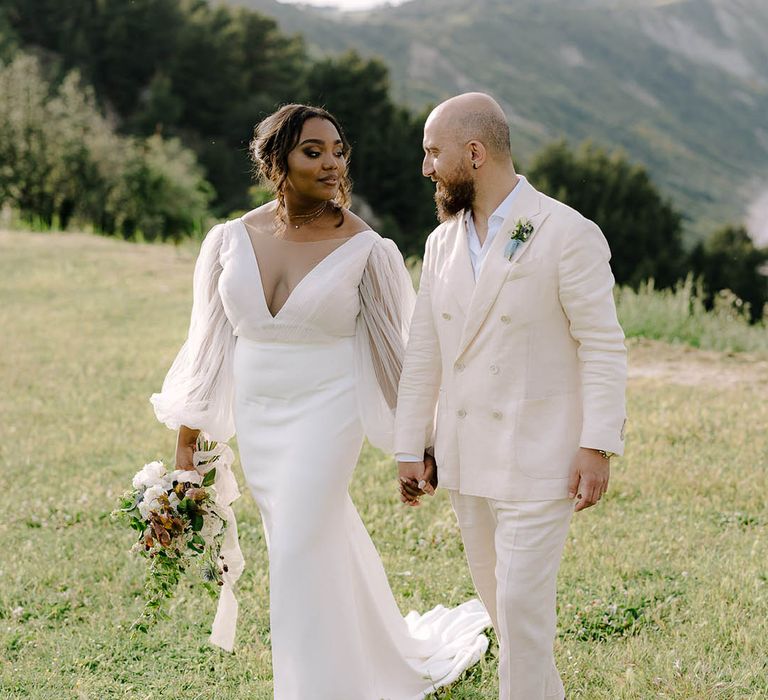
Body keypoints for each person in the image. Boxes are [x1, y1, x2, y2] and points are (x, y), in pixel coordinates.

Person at [150, 103, 490, 700]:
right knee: (310, 539)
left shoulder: (367, 250)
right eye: (314, 151)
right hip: (261, 416)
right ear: (276, 161)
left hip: (326, 413)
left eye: (338, 150)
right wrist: (186, 453)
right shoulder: (229, 240)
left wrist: (419, 444)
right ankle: (375, 656)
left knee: (303, 539)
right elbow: (205, 348)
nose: (332, 163)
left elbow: (398, 358)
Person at [394, 93, 628, 700]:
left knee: (522, 612)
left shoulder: (566, 232)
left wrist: (597, 444)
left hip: (540, 456)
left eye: (432, 153)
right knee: (505, 611)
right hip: (465, 457)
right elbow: (425, 352)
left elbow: (602, 344)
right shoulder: (441, 242)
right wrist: (411, 445)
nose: (426, 168)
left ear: (473, 154)